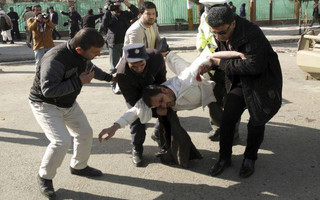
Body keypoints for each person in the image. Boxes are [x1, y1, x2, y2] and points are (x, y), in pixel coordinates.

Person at [98, 49, 245, 167]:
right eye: (158, 105)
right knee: (167, 118)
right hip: (196, 94)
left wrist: (238, 54)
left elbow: (211, 55)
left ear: (165, 90)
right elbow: (133, 112)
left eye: (162, 101)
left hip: (211, 90)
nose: (164, 106)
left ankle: (169, 54)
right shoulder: (156, 100)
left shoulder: (186, 79)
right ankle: (161, 137)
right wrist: (114, 127)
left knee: (226, 120)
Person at [29, 28, 115, 198]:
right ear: (79, 49)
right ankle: (44, 177)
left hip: (68, 103)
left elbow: (91, 68)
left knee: (85, 133)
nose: (98, 54)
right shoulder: (55, 59)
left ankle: (79, 166)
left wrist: (111, 78)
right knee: (61, 142)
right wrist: (79, 81)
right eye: (95, 52)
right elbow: (48, 90)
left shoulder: (82, 56)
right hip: (45, 105)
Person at [206, 5, 282, 178]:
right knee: (227, 120)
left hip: (261, 82)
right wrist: (209, 63)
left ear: (233, 23)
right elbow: (222, 53)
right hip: (239, 80)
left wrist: (220, 64)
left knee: (256, 121)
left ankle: (249, 159)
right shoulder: (221, 32)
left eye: (221, 33)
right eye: (214, 33)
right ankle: (224, 158)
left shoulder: (252, 33)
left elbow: (255, 65)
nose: (218, 37)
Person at [109, 43, 167, 167]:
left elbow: (162, 80)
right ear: (127, 62)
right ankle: (137, 148)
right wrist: (145, 107)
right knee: (137, 119)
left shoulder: (156, 58)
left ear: (146, 59)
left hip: (154, 89)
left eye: (142, 64)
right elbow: (132, 101)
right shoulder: (122, 74)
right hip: (135, 95)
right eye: (134, 66)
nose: (139, 68)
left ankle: (161, 137)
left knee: (167, 111)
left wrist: (160, 101)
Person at [197, 0, 240, 142]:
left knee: (231, 100)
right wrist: (200, 51)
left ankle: (232, 133)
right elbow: (201, 34)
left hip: (228, 64)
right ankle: (217, 127)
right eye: (207, 7)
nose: (209, 10)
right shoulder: (204, 17)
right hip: (210, 60)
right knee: (211, 96)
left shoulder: (231, 18)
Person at [100, 0, 139, 93]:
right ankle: (114, 85)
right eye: (116, 6)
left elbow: (136, 12)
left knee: (127, 65)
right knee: (114, 66)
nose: (118, 7)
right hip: (114, 44)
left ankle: (125, 84)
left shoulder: (125, 14)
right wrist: (107, 11)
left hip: (126, 44)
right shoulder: (109, 15)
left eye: (119, 5)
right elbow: (103, 25)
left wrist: (127, 4)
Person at [27, 4, 55, 69]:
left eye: (40, 10)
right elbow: (30, 28)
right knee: (39, 63)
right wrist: (36, 20)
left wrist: (47, 21)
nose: (39, 12)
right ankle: (38, 78)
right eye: (37, 10)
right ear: (33, 11)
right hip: (39, 46)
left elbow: (53, 27)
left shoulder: (45, 18)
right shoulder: (31, 20)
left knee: (51, 62)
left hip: (49, 44)